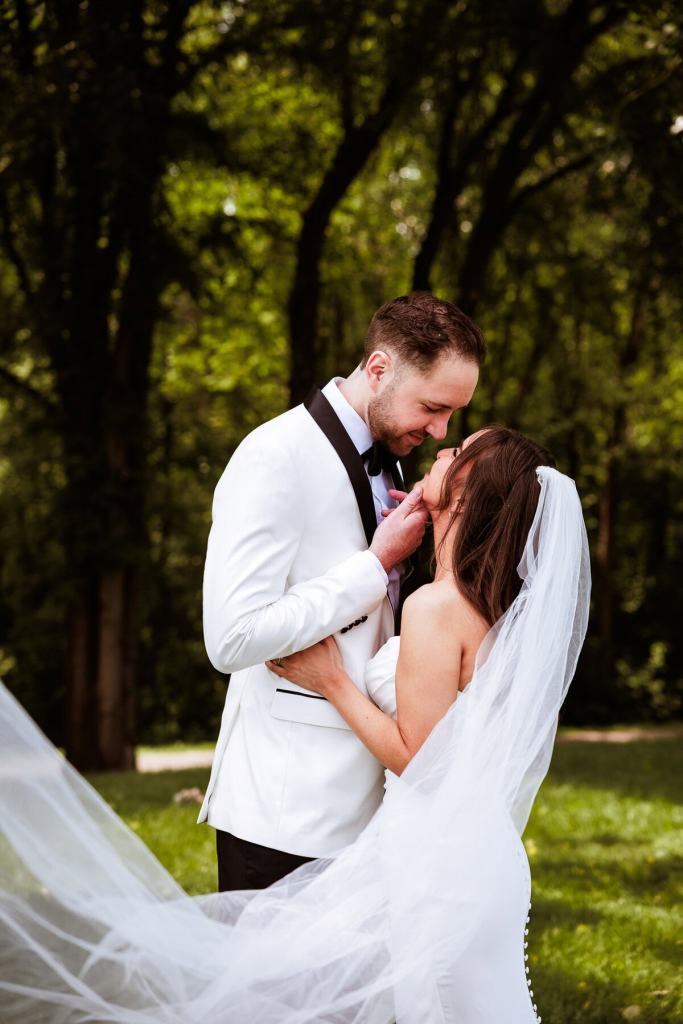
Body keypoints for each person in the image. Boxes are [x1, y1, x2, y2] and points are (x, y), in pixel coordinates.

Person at [0, 425, 590, 1024]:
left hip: (441, 858)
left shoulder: (437, 608)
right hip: (475, 849)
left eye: (459, 453)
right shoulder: (481, 607)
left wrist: (333, 680)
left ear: (468, 495)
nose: (442, 448)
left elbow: (423, 761)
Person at [200, 290, 484, 890]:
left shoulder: (396, 460)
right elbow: (232, 637)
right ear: (379, 368)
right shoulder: (275, 455)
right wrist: (375, 563)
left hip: (373, 803)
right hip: (285, 810)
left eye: (452, 416)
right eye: (433, 407)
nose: (440, 431)